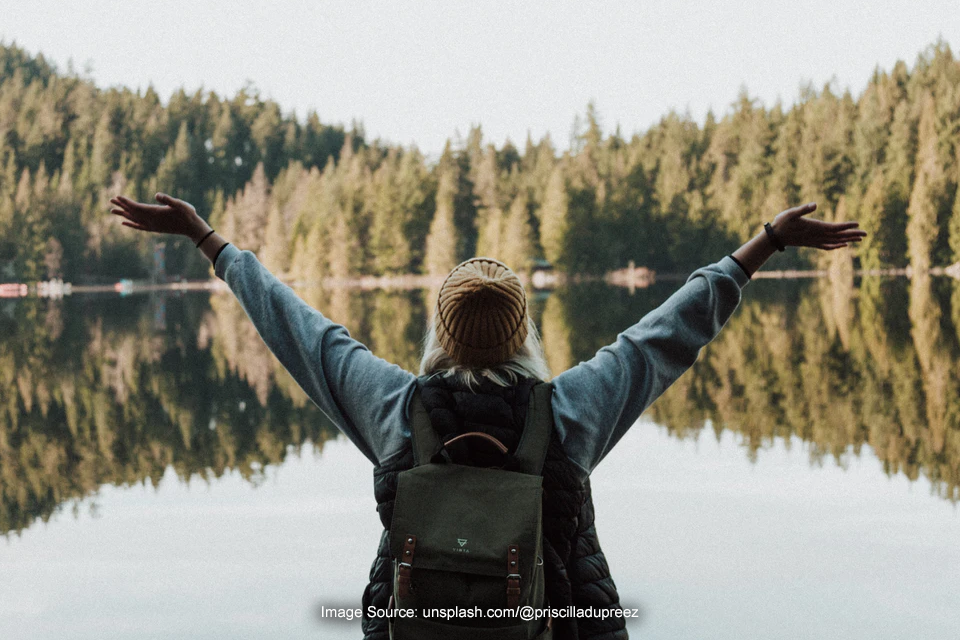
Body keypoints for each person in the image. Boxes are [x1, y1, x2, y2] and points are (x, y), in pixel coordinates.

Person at [109, 192, 866, 640]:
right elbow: (671, 331)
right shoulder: (568, 410)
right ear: (524, 333)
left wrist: (207, 239)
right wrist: (765, 242)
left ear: (440, 333)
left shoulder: (396, 410)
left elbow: (295, 327)